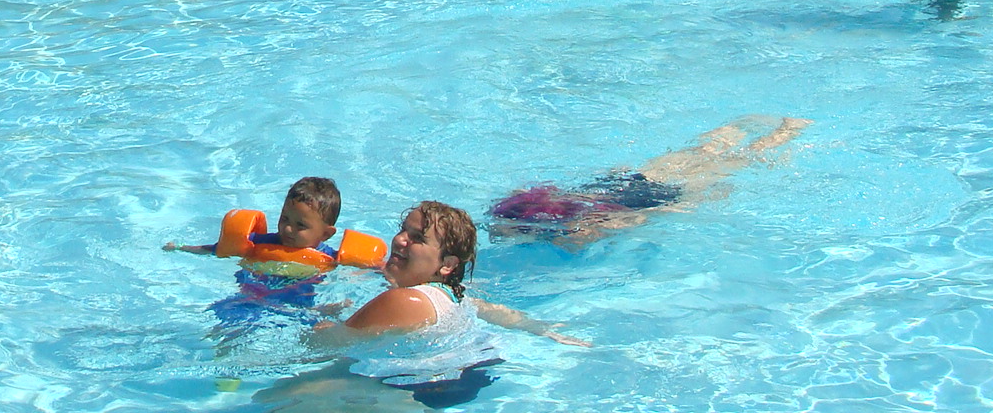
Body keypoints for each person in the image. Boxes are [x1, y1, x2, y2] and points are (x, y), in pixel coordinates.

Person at [299, 202, 586, 408]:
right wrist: (544, 329)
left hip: (413, 389)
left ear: (447, 265)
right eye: (403, 230)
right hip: (467, 379)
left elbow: (320, 346)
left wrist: (322, 317)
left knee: (274, 399)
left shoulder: (406, 300)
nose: (399, 240)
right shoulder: (452, 295)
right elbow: (491, 310)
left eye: (417, 238)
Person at [489, 117, 812, 248]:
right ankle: (742, 126)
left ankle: (784, 134)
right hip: (623, 182)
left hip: (647, 199)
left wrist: (680, 210)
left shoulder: (561, 234)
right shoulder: (522, 204)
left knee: (735, 164)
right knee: (702, 152)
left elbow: (616, 224)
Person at [166, 177, 384, 330]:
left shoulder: (330, 258)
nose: (288, 229)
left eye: (300, 225)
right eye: (285, 219)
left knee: (319, 331)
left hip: (298, 308)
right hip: (250, 299)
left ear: (326, 233)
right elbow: (217, 250)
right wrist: (181, 247)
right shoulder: (261, 243)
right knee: (228, 327)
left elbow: (369, 271)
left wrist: (385, 272)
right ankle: (227, 379)